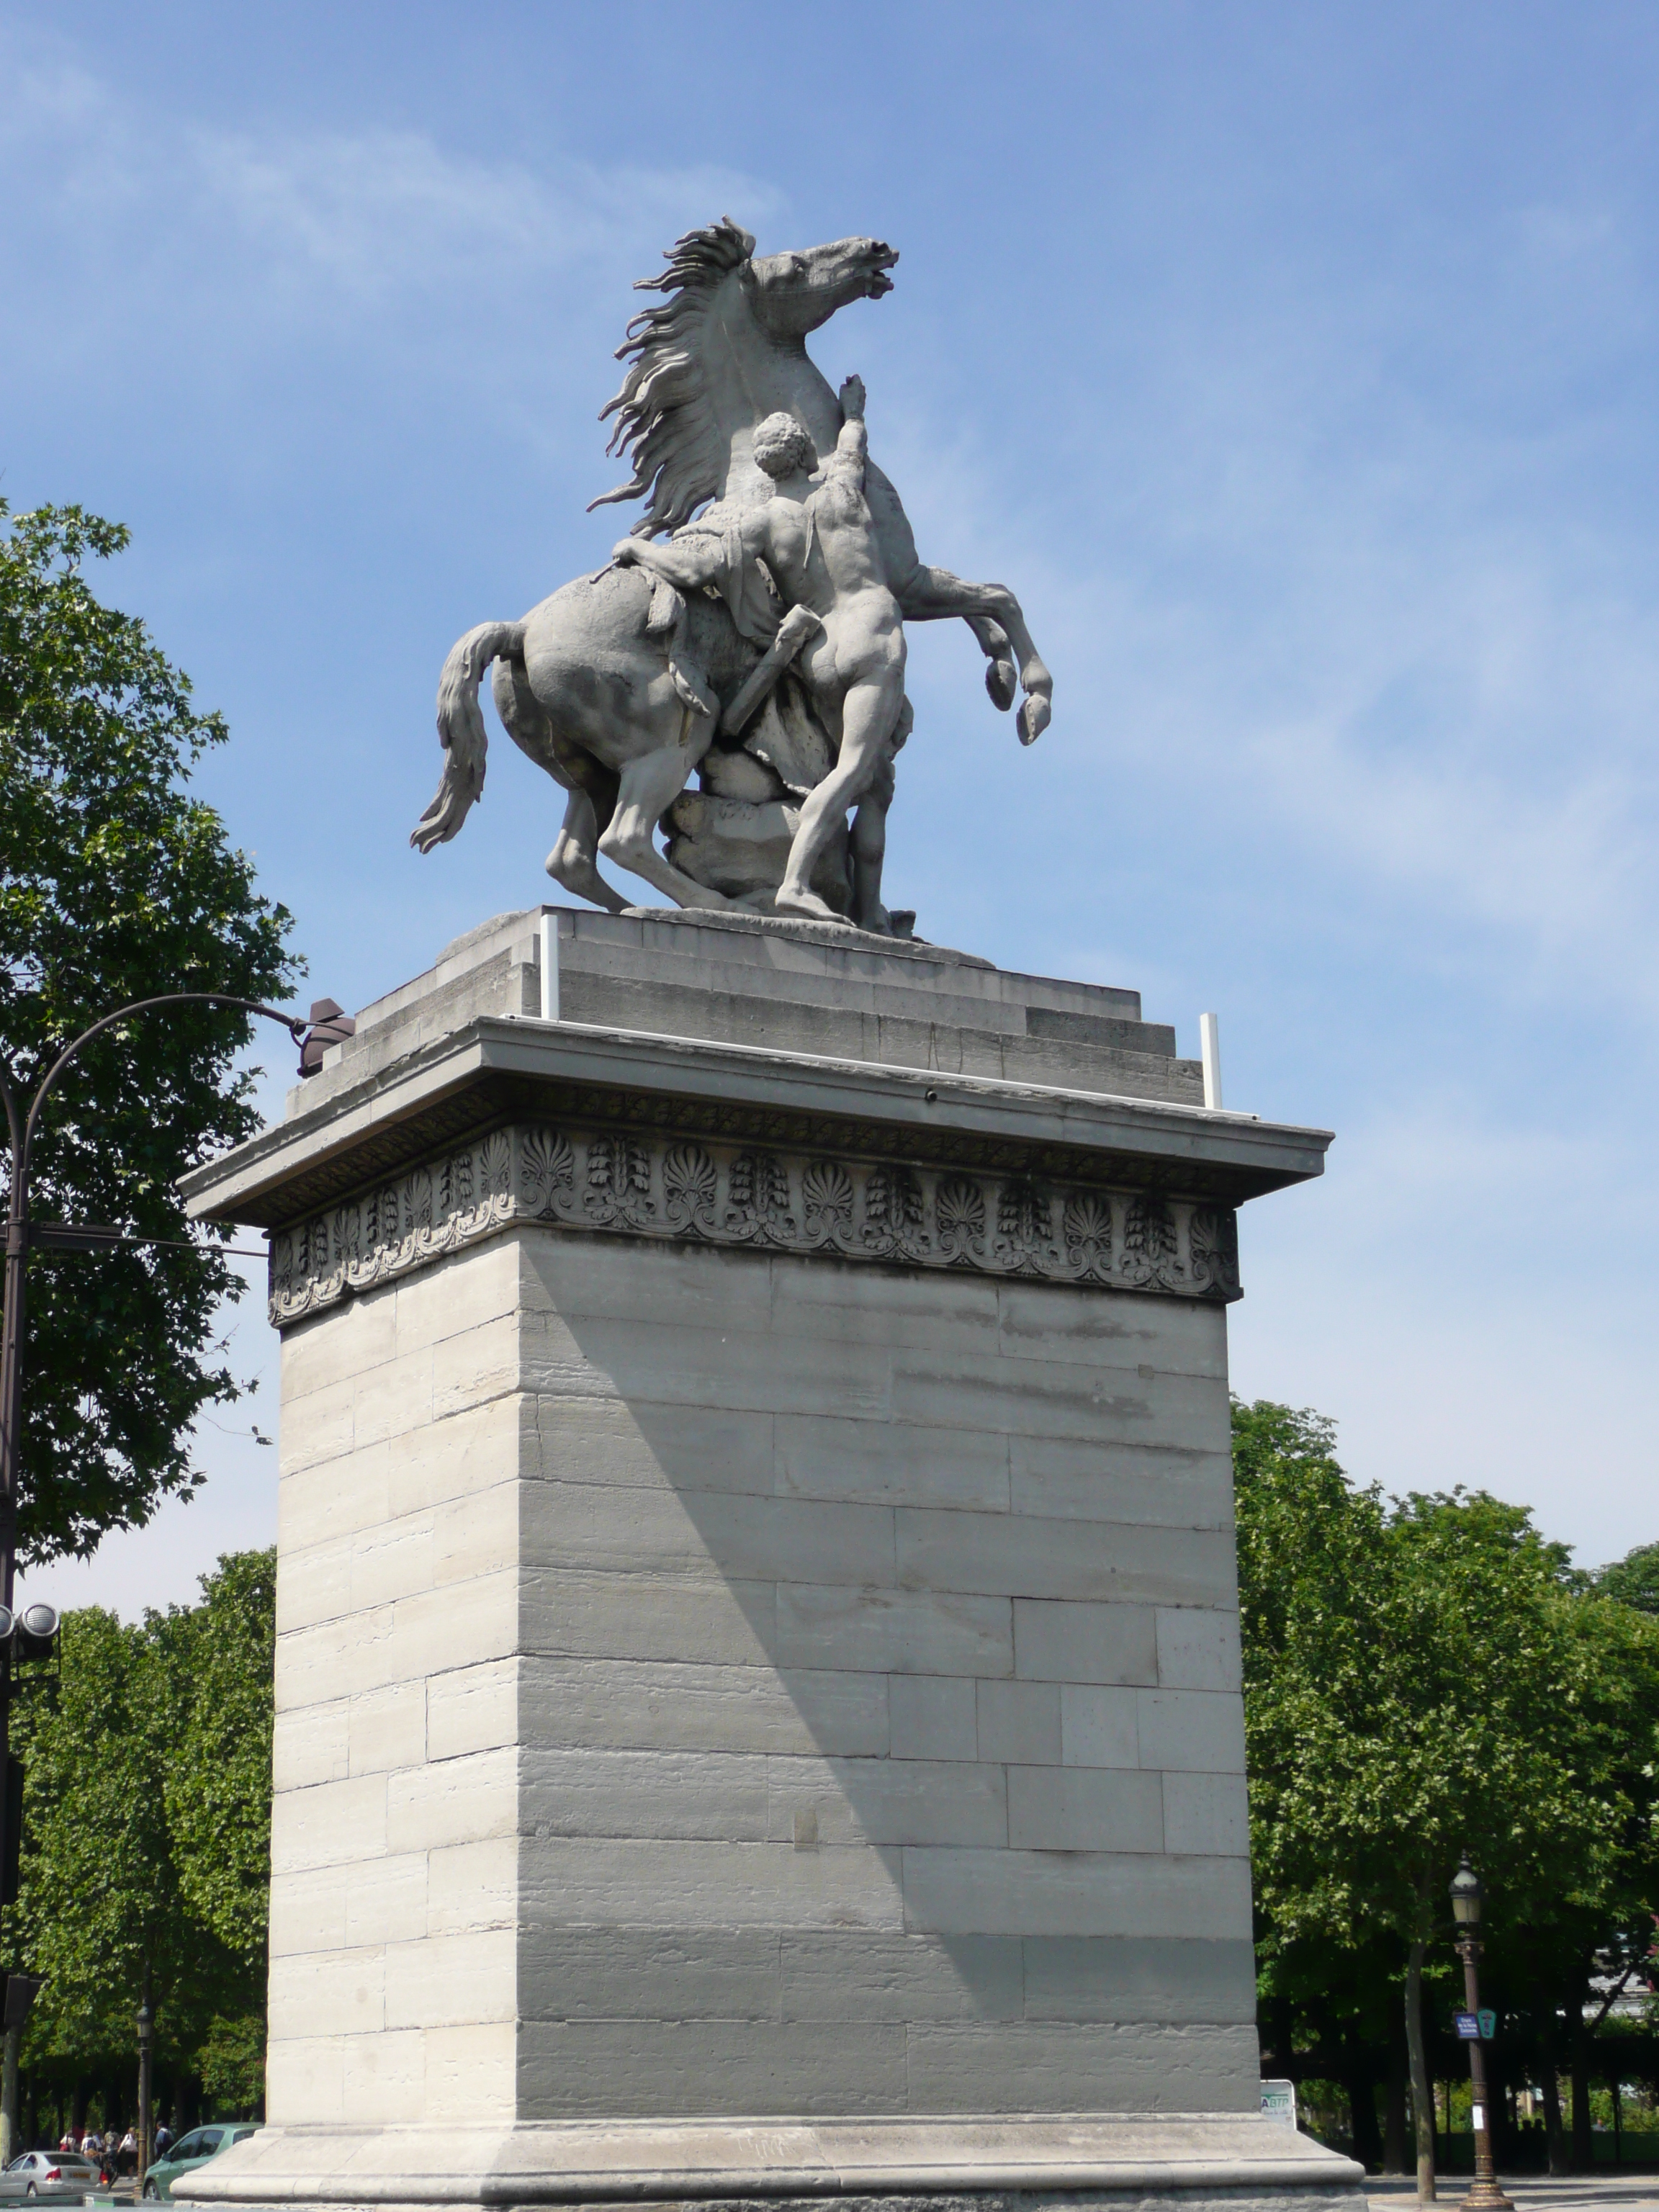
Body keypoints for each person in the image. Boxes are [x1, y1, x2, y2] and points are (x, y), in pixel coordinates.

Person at [614, 375, 907, 928]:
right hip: (871, 634)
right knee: (860, 776)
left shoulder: (763, 521)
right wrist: (853, 411)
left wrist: (637, 548)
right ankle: (809, 890)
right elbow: (852, 443)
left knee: (845, 775)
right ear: (802, 454)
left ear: (765, 467)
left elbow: (695, 568)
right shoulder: (842, 486)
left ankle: (846, 900)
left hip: (820, 652)